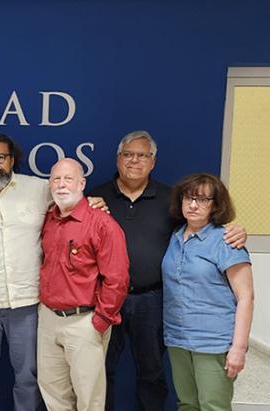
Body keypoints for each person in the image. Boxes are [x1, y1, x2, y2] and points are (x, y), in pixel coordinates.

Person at [88, 130, 247, 411]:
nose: (134, 161)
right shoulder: (96, 198)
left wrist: (236, 230)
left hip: (153, 301)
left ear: (153, 162)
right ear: (117, 159)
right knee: (101, 371)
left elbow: (203, 225)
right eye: (127, 154)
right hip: (106, 299)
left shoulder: (171, 200)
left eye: (142, 155)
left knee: (152, 374)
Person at [0, 132, 107, 411]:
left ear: (12, 160)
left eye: (0, 157)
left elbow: (74, 201)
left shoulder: (39, 189)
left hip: (28, 304)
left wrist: (96, 202)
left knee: (28, 377)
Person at [37, 158, 129, 411]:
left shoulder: (102, 224)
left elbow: (117, 279)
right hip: (48, 319)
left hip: (84, 321)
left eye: (68, 179)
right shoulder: (49, 220)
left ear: (82, 183)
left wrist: (99, 321)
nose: (61, 185)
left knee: (89, 399)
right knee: (54, 394)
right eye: (56, 179)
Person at [163, 173, 253, 410]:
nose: (193, 205)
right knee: (187, 404)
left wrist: (239, 349)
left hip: (213, 342)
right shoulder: (174, 236)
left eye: (202, 200)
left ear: (215, 205)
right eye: (189, 198)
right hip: (177, 338)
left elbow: (246, 298)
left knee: (213, 406)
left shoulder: (226, 241)